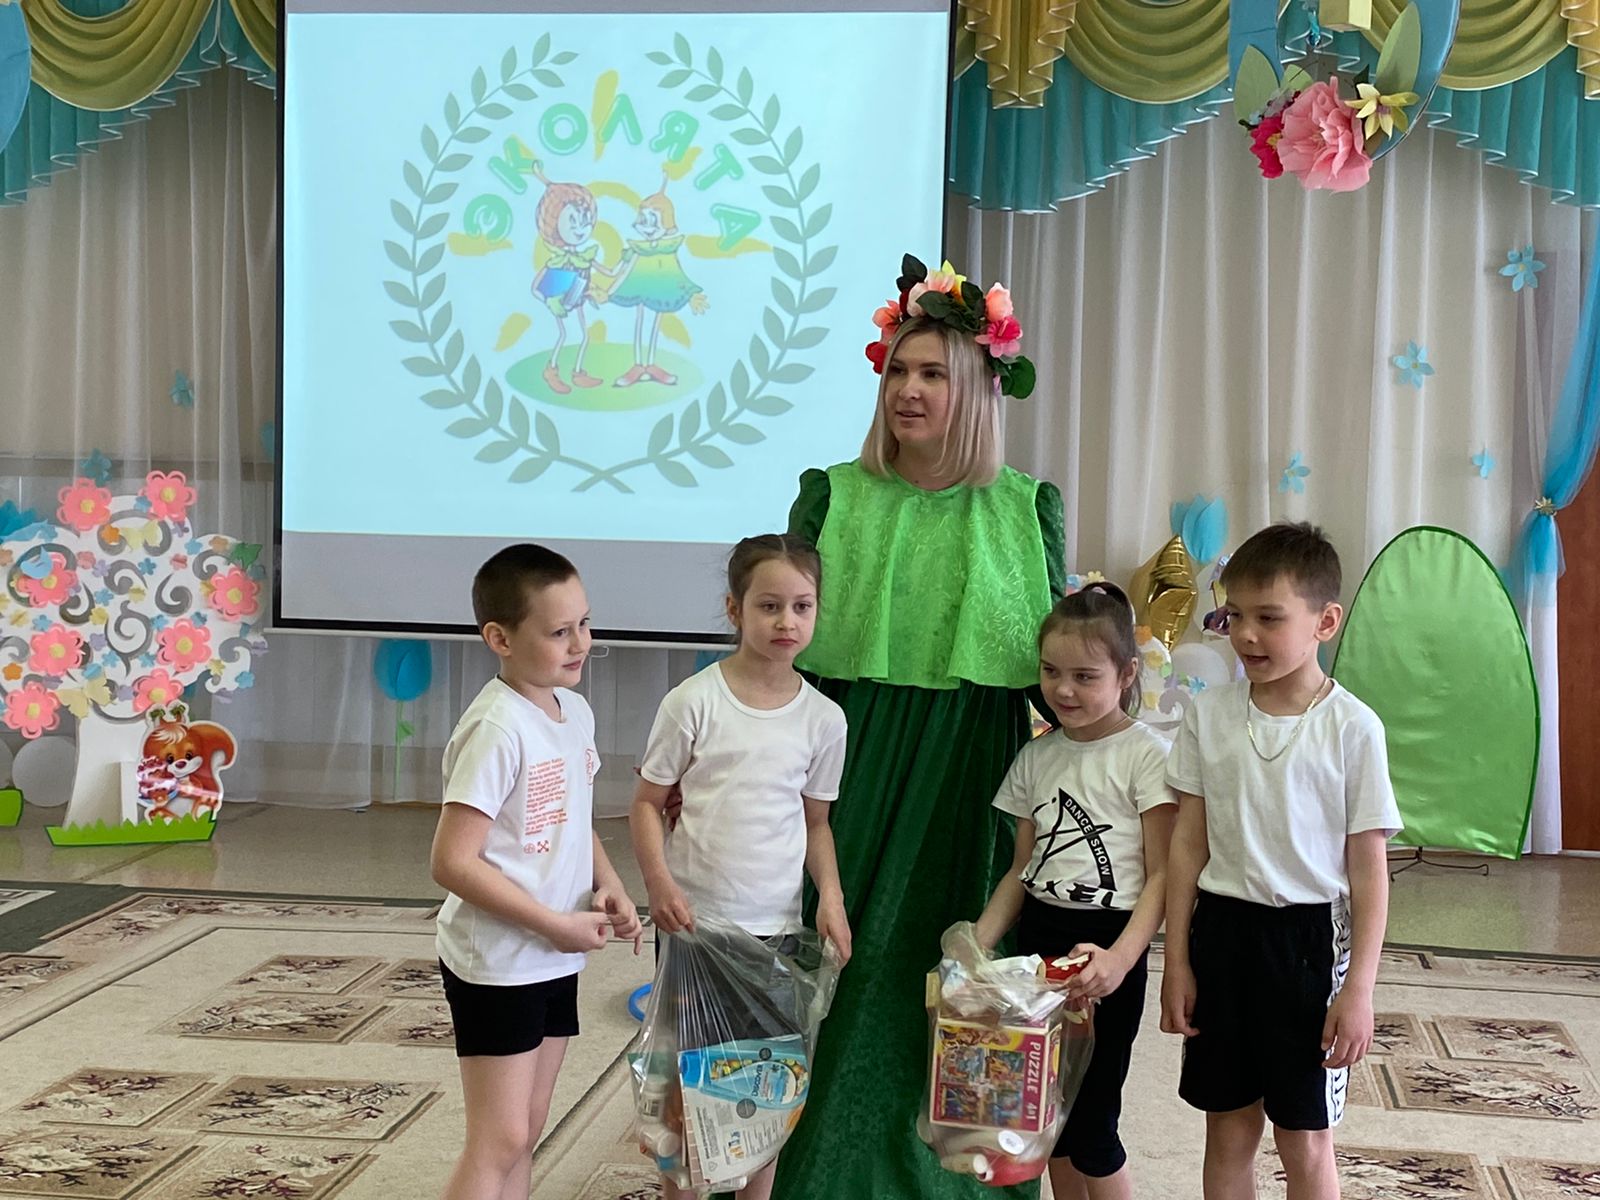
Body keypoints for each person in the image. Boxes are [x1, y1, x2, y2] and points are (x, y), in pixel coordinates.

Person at [774, 255, 1064, 1199]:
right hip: (854, 751)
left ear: (977, 385)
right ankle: (812, 1172)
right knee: (838, 958)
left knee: (961, 972)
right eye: (899, 369)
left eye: (933, 372)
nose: (908, 388)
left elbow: (1061, 675)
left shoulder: (1025, 509)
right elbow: (783, 643)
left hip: (973, 766)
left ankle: (960, 1174)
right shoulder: (832, 495)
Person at [1160, 522, 1401, 1200]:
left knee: (1304, 1137)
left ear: (1325, 622)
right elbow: (1187, 842)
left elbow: (1369, 871)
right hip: (1221, 935)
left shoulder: (1354, 727)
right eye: (1234, 616)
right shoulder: (1209, 715)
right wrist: (1176, 959)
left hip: (1309, 944)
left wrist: (1359, 991)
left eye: (1269, 618)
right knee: (1228, 1130)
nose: (1246, 635)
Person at [631, 533, 851, 1200]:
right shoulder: (693, 702)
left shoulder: (824, 719)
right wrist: (660, 884)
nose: (787, 622)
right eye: (769, 606)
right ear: (735, 609)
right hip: (694, 926)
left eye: (802, 606)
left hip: (776, 931)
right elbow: (645, 804)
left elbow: (816, 823)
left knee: (765, 1084)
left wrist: (831, 899)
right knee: (685, 1080)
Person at [430, 544, 642, 1200]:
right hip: (499, 963)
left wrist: (609, 884)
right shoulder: (497, 728)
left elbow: (572, 819)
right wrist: (551, 923)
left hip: (552, 954)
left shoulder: (573, 711)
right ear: (500, 639)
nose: (580, 643)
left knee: (527, 1128)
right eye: (558, 632)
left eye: (585, 623)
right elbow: (451, 861)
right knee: (497, 1139)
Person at [975, 582, 1175, 1200]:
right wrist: (976, 945)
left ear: (1127, 674)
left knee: (1093, 1128)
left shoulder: (1148, 755)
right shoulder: (1036, 757)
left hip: (1107, 947)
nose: (1064, 690)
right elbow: (1021, 869)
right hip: (1039, 943)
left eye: (1085, 676)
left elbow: (1164, 874)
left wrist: (1120, 959)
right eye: (1051, 672)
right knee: (1049, 1121)